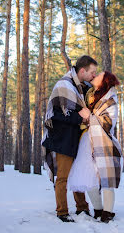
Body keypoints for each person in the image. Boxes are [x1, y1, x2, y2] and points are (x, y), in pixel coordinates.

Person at [41, 55, 97, 222]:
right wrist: (79, 118)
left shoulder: (83, 88)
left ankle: (82, 207)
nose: (94, 75)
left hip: (78, 138)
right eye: (92, 72)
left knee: (78, 173)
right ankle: (62, 212)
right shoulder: (64, 86)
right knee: (63, 176)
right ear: (82, 71)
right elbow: (56, 114)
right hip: (63, 138)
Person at [67, 71, 123, 223]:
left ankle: (108, 212)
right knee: (88, 177)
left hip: (103, 141)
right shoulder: (90, 95)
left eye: (99, 75)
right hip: (86, 141)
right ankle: (98, 209)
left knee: (106, 178)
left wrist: (88, 117)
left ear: (104, 82)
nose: (95, 76)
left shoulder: (110, 100)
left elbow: (108, 122)